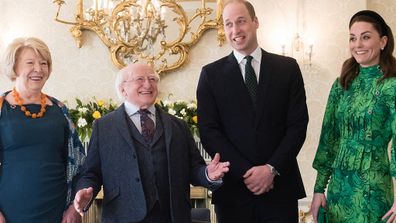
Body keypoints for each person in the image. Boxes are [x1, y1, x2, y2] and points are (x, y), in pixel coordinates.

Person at [73, 63, 230, 223]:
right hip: (122, 216)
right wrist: (85, 191)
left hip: (172, 216)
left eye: (152, 79)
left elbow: (194, 168)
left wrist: (208, 174)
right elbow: (91, 172)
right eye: (140, 79)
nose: (148, 84)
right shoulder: (104, 127)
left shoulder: (178, 126)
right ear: (122, 89)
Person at [196, 0, 309, 222]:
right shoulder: (211, 75)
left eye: (241, 21)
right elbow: (209, 131)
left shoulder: (287, 68)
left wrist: (270, 169)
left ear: (255, 22)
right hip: (233, 193)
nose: (235, 30)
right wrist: (246, 172)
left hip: (280, 189)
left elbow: (297, 126)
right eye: (228, 24)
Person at [311, 10, 396, 223]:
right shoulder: (341, 85)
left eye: (366, 37)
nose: (358, 44)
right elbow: (329, 139)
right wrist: (319, 189)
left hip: (373, 189)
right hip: (338, 190)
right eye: (353, 38)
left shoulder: (392, 86)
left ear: (383, 41)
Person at [0, 37, 85, 222]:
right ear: (14, 67)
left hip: (56, 207)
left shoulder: (59, 109)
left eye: (44, 63)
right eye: (30, 63)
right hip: (10, 209)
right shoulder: (1, 108)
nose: (38, 69)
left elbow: (79, 162)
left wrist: (74, 208)